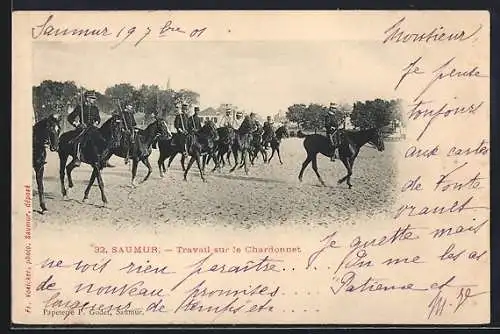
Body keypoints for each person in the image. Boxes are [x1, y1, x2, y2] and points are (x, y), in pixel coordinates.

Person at [67, 90, 107, 165]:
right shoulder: (80, 107)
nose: (93, 100)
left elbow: (98, 118)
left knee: (102, 139)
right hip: (82, 128)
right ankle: (77, 158)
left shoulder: (95, 108)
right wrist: (77, 124)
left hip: (92, 128)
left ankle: (103, 158)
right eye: (92, 98)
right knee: (78, 141)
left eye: (94, 98)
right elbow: (70, 117)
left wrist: (96, 122)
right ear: (87, 98)